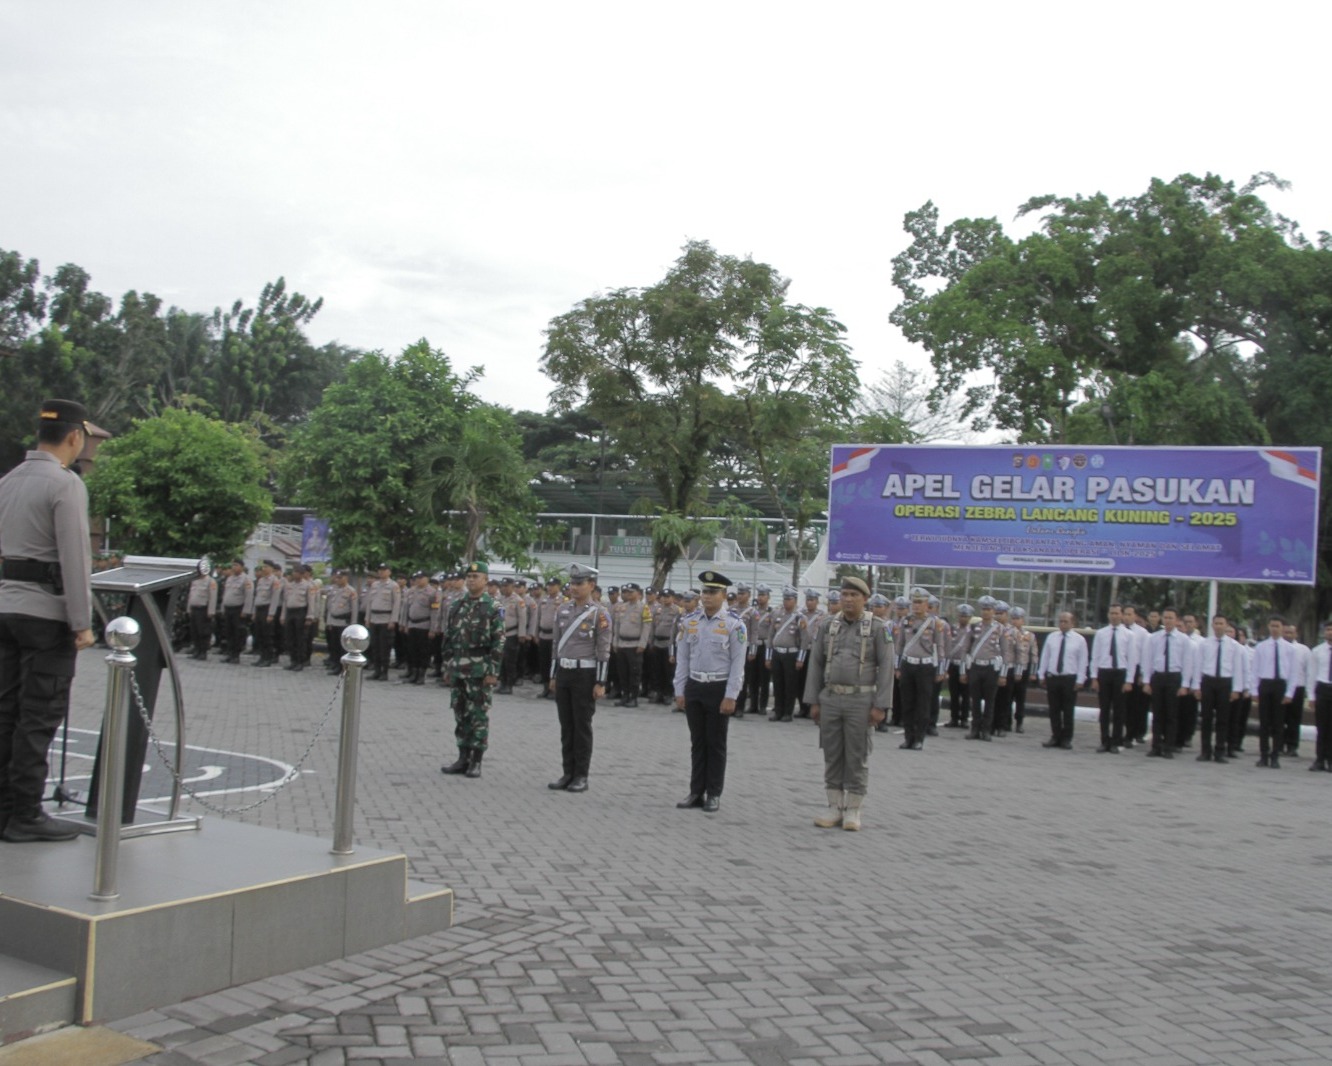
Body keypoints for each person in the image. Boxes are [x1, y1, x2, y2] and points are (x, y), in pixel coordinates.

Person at [0, 399, 94, 843]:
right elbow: (75, 556)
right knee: (38, 717)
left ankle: (4, 809)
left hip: (5, 609)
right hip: (44, 616)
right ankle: (26, 813)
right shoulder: (65, 484)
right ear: (74, 437)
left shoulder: (8, 481)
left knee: (5, 713)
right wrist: (82, 622)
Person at [804, 576, 892, 831]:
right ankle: (834, 806)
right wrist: (813, 700)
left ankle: (853, 808)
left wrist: (881, 706)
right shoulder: (827, 625)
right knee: (832, 753)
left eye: (854, 595)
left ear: (865, 599)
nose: (848, 600)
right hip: (831, 698)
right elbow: (815, 664)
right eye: (844, 595)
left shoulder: (877, 628)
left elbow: (887, 667)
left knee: (857, 755)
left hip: (861, 700)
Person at [673, 570, 746, 814]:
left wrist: (731, 695)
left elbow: (738, 664)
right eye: (704, 591)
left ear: (724, 595)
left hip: (718, 687)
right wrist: (680, 689)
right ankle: (696, 792)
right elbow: (683, 658)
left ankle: (714, 793)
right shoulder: (689, 622)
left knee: (715, 743)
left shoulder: (734, 624)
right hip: (694, 686)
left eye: (713, 592)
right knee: (697, 742)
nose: (706, 596)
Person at [547, 563, 612, 792]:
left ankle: (581, 776)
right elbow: (556, 645)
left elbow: (603, 649)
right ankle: (567, 773)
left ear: (591, 585)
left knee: (581, 727)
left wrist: (601, 682)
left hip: (585, 674)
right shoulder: (563, 610)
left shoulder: (599, 613)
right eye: (572, 583)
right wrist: (553, 675)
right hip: (564, 672)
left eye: (579, 583)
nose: (574, 587)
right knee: (567, 726)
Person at [440, 561, 504, 779]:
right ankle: (462, 757)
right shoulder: (457, 605)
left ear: (485, 580)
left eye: (476, 576)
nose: (471, 580)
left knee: (478, 715)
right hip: (458, 666)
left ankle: (476, 760)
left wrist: (493, 671)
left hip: (479, 668)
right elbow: (449, 637)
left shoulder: (493, 607)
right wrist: (447, 666)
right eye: (469, 576)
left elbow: (498, 641)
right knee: (460, 713)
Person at [893, 586, 947, 750]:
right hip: (908, 665)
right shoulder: (906, 621)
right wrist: (897, 667)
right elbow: (899, 645)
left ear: (926, 604)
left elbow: (940, 647)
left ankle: (919, 739)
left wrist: (940, 670)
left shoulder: (934, 623)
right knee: (907, 702)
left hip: (925, 666)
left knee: (923, 704)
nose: (916, 606)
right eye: (914, 602)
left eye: (919, 602)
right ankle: (908, 737)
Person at [1143, 607, 1194, 760]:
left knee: (1172, 714)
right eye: (1165, 617)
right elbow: (1147, 660)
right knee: (1157, 713)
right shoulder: (1154, 638)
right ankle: (1156, 746)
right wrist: (1147, 681)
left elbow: (1187, 663)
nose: (1168, 620)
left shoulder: (1184, 640)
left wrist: (1185, 685)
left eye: (1171, 618)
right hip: (1158, 677)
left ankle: (1169, 746)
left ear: (1177, 620)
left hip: (1174, 677)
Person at [1190, 614, 1242, 762]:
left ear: (1226, 625)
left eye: (1221, 623)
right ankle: (1205, 751)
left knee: (1223, 719)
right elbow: (1198, 665)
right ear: (1212, 625)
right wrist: (1196, 686)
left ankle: (1220, 751)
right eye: (1216, 623)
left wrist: (1236, 689)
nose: (1218, 626)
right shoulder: (1204, 644)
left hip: (1225, 682)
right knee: (1206, 718)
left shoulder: (1234, 646)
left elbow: (1237, 668)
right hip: (1208, 681)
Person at [1037, 611, 1087, 750]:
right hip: (1053, 677)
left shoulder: (1079, 640)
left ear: (1073, 623)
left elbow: (1083, 661)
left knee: (1068, 710)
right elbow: (1045, 657)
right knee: (1054, 709)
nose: (1063, 624)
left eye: (1066, 621)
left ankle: (1067, 738)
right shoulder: (1052, 637)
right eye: (1061, 621)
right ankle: (1055, 736)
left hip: (1069, 678)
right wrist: (1041, 674)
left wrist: (1080, 679)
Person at [1250, 615, 1295, 768]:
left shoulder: (1289, 648)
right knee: (1264, 723)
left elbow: (1293, 672)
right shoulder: (1261, 647)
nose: (1275, 629)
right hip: (1265, 684)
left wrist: (1289, 693)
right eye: (1272, 626)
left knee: (1278, 723)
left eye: (1277, 626)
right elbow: (1255, 670)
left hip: (1280, 685)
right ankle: (1263, 755)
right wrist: (1254, 690)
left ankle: (1275, 755)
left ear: (1283, 628)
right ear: (1268, 627)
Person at [1090, 603, 1135, 753]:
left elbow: (1132, 659)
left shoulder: (1129, 635)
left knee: (1119, 710)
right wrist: (1094, 677)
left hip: (1120, 673)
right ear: (1108, 615)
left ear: (1121, 615)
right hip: (1104, 672)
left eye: (1117, 613)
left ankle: (1116, 741)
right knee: (1104, 709)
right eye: (1112, 613)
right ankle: (1104, 740)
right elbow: (1095, 656)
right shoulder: (1101, 633)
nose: (1114, 616)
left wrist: (1129, 680)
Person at [765, 585, 806, 722]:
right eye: (785, 599)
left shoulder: (800, 617)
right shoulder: (777, 614)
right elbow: (771, 636)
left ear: (795, 600)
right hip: (777, 653)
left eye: (789, 599)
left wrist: (800, 659)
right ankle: (778, 710)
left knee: (790, 684)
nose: (786, 602)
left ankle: (788, 712)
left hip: (791, 654)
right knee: (778, 684)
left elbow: (804, 640)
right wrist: (768, 657)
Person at [612, 583, 650, 707]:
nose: (628, 594)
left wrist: (642, 644)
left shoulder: (643, 608)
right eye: (627, 592)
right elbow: (617, 626)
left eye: (631, 592)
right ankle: (625, 696)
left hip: (635, 645)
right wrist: (615, 642)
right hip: (622, 644)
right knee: (622, 672)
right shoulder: (622, 607)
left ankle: (633, 698)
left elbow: (646, 627)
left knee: (634, 673)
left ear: (638, 593)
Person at [1303, 621, 1332, 772]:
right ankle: (1320, 759)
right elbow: (1311, 674)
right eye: (1328, 629)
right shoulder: (1317, 651)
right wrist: (1311, 696)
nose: (1330, 632)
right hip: (1322, 688)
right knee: (1322, 726)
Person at [363, 563, 400, 681]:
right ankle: (377, 670)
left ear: (389, 572)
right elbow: (370, 602)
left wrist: (393, 620)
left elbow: (396, 604)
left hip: (386, 619)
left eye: (384, 570)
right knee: (375, 646)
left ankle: (384, 672)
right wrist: (367, 618)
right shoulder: (374, 585)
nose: (381, 572)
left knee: (385, 647)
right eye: (380, 570)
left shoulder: (393, 585)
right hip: (374, 618)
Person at [323, 569, 357, 674]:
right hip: (333, 622)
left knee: (343, 647)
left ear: (346, 578)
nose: (337, 580)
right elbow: (330, 607)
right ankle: (336, 664)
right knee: (334, 645)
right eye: (337, 578)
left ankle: (343, 667)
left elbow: (354, 609)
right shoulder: (333, 589)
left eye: (340, 578)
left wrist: (353, 625)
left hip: (343, 622)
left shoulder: (351, 591)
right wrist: (329, 622)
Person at [219, 559, 254, 663]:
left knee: (237, 633)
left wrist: (246, 611)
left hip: (238, 609)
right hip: (228, 608)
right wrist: (222, 608)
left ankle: (236, 655)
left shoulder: (246, 579)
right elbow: (226, 594)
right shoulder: (230, 578)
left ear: (242, 567)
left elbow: (249, 596)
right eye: (233, 565)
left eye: (236, 565)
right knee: (229, 632)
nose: (234, 567)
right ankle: (230, 654)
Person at [186, 567, 217, 660]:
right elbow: (191, 595)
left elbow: (213, 597)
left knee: (203, 632)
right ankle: (197, 650)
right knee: (194, 631)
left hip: (203, 610)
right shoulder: (195, 580)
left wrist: (211, 611)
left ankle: (203, 652)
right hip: (194, 608)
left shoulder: (211, 581)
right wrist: (189, 608)